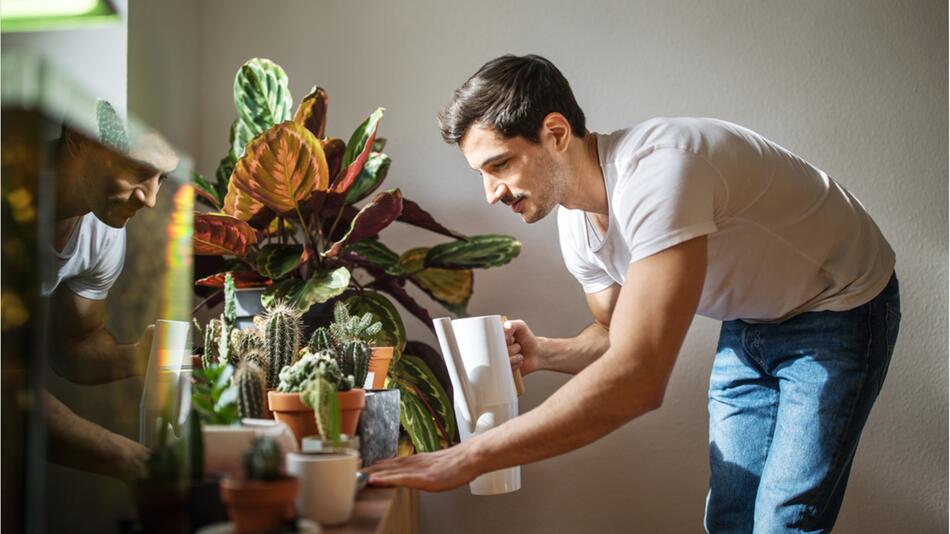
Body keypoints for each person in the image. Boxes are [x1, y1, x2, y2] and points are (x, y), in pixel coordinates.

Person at [363, 54, 901, 533]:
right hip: (751, 321)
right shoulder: (576, 224)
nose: (491, 192)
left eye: (500, 164)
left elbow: (639, 377)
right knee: (731, 520)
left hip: (841, 304)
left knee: (786, 520)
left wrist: (467, 457)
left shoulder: (660, 172)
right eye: (481, 173)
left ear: (555, 132)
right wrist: (545, 352)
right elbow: (616, 337)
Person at [44, 109, 179, 482]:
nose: (150, 199)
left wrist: (138, 359)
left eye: (162, 179)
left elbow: (75, 344)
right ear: (78, 136)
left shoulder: (101, 231)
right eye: (139, 170)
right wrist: (136, 462)